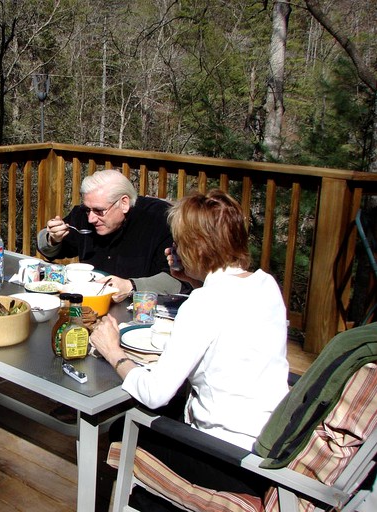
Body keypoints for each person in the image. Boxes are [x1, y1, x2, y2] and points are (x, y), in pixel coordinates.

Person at [90, 189, 289, 511]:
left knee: (120, 427)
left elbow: (154, 394)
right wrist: (194, 279)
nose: (174, 248)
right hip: (269, 440)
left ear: (197, 248)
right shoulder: (264, 284)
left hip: (228, 457)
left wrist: (113, 351)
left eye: (179, 242)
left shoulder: (206, 303)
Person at [37, 169, 185, 296]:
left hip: (141, 309)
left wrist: (130, 286)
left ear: (124, 203)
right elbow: (48, 250)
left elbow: (180, 278)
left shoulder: (160, 220)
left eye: (99, 211)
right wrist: (53, 239)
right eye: (88, 209)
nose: (91, 218)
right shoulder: (84, 214)